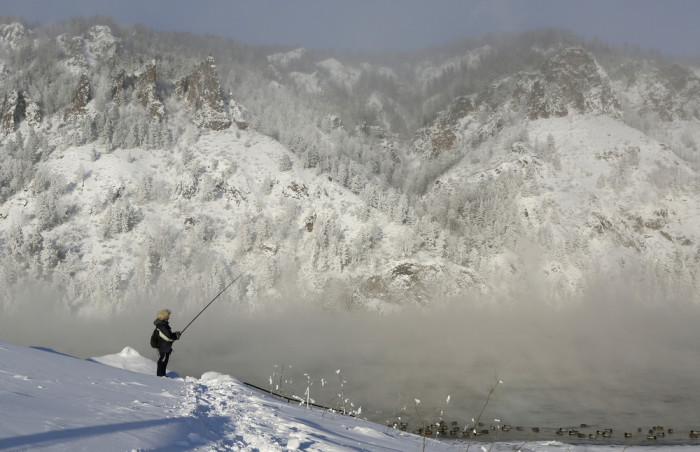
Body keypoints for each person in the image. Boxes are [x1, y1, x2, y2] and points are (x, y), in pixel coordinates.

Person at [153, 309, 181, 377]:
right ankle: (160, 376)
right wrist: (175, 336)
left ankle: (162, 375)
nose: (169, 318)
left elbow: (167, 335)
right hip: (164, 346)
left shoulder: (162, 325)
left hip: (164, 345)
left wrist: (174, 334)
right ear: (164, 317)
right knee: (163, 360)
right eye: (168, 316)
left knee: (164, 360)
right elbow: (168, 337)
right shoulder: (162, 326)